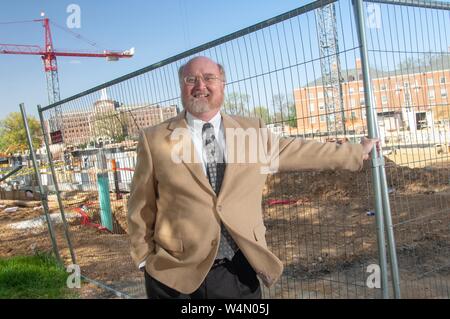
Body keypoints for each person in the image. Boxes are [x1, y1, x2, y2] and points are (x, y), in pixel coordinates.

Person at [127, 56, 378, 299]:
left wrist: (355, 151)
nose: (200, 86)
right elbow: (141, 205)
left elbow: (299, 152)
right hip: (174, 275)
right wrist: (143, 259)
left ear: (222, 84)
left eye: (209, 78)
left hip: (237, 269)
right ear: (182, 86)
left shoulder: (250, 131)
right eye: (190, 79)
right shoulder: (155, 139)